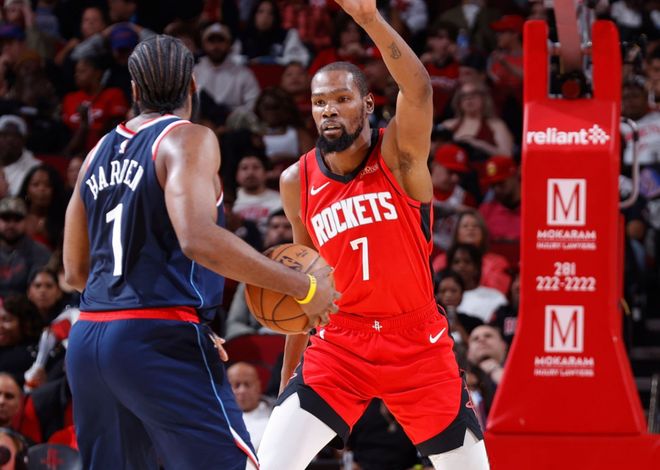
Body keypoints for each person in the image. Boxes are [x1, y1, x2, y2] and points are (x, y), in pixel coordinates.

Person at [62, 34, 338, 470]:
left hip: (88, 339)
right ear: (193, 85)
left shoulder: (96, 153)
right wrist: (301, 287)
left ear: (133, 90)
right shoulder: (186, 138)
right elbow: (197, 238)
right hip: (155, 337)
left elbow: (74, 271)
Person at [257, 2, 489, 469]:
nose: (329, 109)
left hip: (417, 343)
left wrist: (369, 19)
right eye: (320, 102)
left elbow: (419, 90)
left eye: (342, 98)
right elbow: (306, 281)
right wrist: (288, 380)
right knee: (271, 463)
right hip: (340, 343)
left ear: (367, 104)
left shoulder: (399, 155)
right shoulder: (296, 181)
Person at [0, 197, 51, 297]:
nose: (11, 225)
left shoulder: (40, 252)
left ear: (26, 221)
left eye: (17, 219)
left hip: (28, 304)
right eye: (6, 219)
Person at [226, 362, 274, 451]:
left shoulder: (275, 416)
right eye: (236, 385)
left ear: (258, 386)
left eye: (247, 384)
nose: (242, 390)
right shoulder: (219, 420)